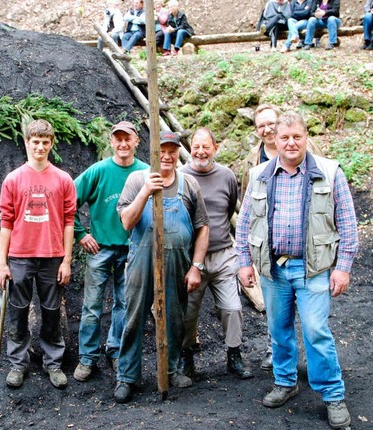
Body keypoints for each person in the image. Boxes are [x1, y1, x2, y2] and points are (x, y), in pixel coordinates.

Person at [236, 111, 358, 429]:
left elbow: (347, 223)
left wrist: (342, 268)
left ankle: (333, 396)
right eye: (284, 137)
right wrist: (244, 262)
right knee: (279, 331)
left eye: (297, 136)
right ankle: (286, 382)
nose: (290, 143)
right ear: (274, 140)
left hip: (313, 269)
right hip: (273, 270)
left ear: (306, 137)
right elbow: (245, 221)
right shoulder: (260, 173)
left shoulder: (330, 173)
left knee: (317, 332)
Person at [113, 131, 210, 403]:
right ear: (153, 152)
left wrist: (196, 267)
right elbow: (127, 222)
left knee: (173, 317)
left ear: (178, 153)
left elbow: (203, 228)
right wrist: (146, 191)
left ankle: (170, 369)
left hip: (177, 263)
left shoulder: (189, 184)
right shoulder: (136, 179)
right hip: (142, 262)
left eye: (172, 151)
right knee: (133, 318)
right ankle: (127, 376)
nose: (166, 156)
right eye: (161, 150)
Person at [241, 104, 324, 371]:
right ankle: (278, 361)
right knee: (277, 316)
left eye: (270, 123)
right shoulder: (252, 163)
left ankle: (321, 374)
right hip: (272, 253)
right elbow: (245, 206)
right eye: (261, 126)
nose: (266, 129)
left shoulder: (307, 153)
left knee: (314, 323)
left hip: (307, 253)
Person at [0, 119, 77, 390]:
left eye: (45, 142)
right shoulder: (14, 179)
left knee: (52, 311)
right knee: (18, 311)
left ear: (51, 144)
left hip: (52, 255)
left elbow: (69, 221)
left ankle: (52, 363)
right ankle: (18, 364)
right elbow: (6, 222)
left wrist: (67, 260)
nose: (40, 147)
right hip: (20, 255)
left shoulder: (63, 179)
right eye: (36, 142)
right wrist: (2, 263)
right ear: (27, 143)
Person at [72, 121, 149, 382]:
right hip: (101, 249)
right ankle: (87, 357)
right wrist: (81, 234)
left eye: (128, 139)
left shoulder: (146, 173)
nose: (123, 144)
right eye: (118, 139)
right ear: (111, 141)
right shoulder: (98, 171)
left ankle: (116, 350)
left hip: (134, 251)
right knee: (92, 305)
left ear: (137, 141)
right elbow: (67, 199)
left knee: (125, 304)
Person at [178, 128, 253, 380]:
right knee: (188, 311)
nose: (200, 152)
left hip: (223, 253)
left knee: (232, 308)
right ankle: (186, 356)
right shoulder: (180, 177)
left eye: (205, 147)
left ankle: (234, 355)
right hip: (190, 258)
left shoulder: (227, 176)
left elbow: (230, 206)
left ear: (215, 148)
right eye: (195, 147)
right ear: (190, 149)